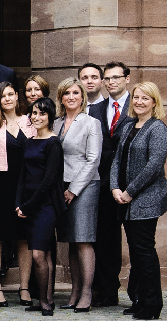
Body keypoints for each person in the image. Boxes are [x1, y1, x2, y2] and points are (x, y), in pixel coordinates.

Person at [109, 82, 167, 320]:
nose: (139, 102)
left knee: (144, 251)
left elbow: (154, 166)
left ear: (154, 102)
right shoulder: (129, 125)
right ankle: (140, 299)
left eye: (145, 98)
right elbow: (117, 159)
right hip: (124, 198)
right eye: (136, 97)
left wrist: (130, 191)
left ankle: (153, 304)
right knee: (135, 252)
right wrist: (114, 186)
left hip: (145, 199)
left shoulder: (158, 128)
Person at [0, 82, 35, 308]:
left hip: (25, 185)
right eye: (3, 96)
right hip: (0, 185)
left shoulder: (29, 120)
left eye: (11, 94)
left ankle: (24, 287)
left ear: (17, 97)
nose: (7, 99)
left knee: (24, 237)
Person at [53, 78, 101, 312]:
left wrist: (74, 189)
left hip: (85, 185)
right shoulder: (56, 123)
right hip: (60, 186)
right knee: (71, 240)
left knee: (83, 239)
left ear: (82, 97)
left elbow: (93, 160)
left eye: (75, 93)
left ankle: (86, 293)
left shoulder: (91, 123)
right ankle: (74, 291)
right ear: (61, 98)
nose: (71, 97)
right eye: (66, 93)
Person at [15, 97, 64, 316]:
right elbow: (22, 176)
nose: (36, 117)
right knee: (42, 256)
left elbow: (50, 179)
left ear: (50, 117)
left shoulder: (53, 143)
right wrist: (18, 203)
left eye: (42, 113)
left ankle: (45, 302)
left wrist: (29, 205)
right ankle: (45, 298)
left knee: (39, 255)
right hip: (27, 204)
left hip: (45, 206)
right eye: (33, 113)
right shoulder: (29, 141)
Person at [89, 62, 130, 307]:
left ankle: (139, 292)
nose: (112, 82)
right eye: (108, 78)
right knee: (105, 239)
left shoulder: (136, 106)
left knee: (137, 241)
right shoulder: (97, 110)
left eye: (117, 77)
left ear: (127, 78)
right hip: (103, 184)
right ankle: (107, 290)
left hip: (131, 183)